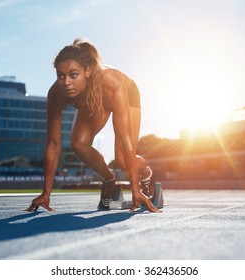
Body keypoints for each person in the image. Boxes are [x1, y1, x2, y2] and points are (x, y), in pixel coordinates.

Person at [26, 38, 159, 213]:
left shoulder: (111, 83)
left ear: (87, 71)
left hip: (125, 93)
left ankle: (147, 175)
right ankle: (109, 178)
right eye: (60, 76)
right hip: (93, 101)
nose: (66, 83)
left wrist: (135, 190)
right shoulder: (56, 93)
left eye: (73, 75)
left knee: (123, 160)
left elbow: (125, 139)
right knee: (79, 144)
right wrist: (46, 193)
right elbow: (53, 145)